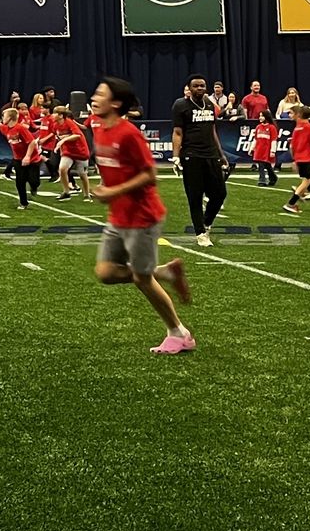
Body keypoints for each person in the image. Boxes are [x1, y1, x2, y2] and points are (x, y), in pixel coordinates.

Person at [85, 77, 194, 355]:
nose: (94, 98)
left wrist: (114, 190)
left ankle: (179, 333)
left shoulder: (129, 133)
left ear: (116, 103)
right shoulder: (97, 124)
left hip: (142, 217)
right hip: (117, 215)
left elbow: (149, 175)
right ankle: (166, 272)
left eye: (101, 94)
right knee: (106, 273)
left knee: (141, 280)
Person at [171, 73, 226, 247]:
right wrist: (175, 156)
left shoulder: (210, 104)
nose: (199, 88)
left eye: (202, 85)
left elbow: (212, 130)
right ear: (189, 88)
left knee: (220, 194)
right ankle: (200, 233)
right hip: (191, 155)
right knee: (195, 196)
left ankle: (206, 222)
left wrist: (221, 153)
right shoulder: (180, 105)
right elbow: (177, 132)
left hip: (211, 154)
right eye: (196, 86)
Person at [0, 106, 43, 209]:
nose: (3, 118)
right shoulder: (7, 129)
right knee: (20, 182)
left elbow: (32, 142)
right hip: (18, 159)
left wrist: (27, 157)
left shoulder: (20, 128)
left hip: (32, 160)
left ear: (10, 118)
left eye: (4, 116)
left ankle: (34, 187)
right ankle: (23, 203)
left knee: (34, 181)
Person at [280, 106, 310, 214]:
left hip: (301, 158)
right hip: (307, 158)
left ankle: (301, 190)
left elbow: (292, 146)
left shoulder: (297, 128)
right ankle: (291, 203)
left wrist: (294, 160)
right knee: (305, 181)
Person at [50, 105, 90, 199]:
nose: (52, 115)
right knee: (62, 169)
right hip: (67, 151)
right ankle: (66, 192)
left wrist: (63, 140)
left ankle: (86, 194)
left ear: (60, 115)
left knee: (82, 174)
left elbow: (77, 135)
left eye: (54, 113)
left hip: (80, 150)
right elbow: (56, 135)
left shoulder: (69, 123)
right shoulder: (55, 125)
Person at [250, 112, 280, 186]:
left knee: (267, 165)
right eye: (260, 116)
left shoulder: (271, 127)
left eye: (262, 116)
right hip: (258, 149)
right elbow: (255, 139)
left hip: (266, 150)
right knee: (261, 165)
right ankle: (262, 180)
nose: (260, 117)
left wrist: (273, 151)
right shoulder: (258, 127)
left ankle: (272, 177)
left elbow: (273, 140)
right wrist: (252, 148)